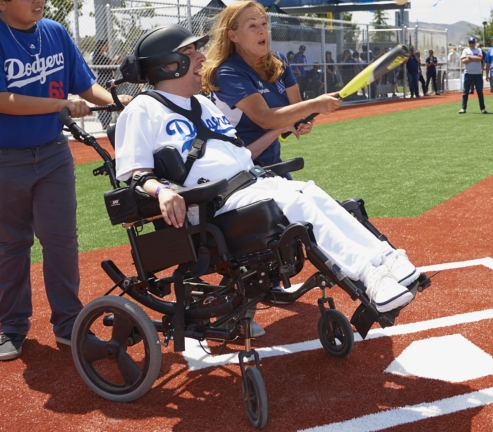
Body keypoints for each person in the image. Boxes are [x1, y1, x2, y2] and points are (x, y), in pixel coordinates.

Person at [114, 25, 419, 313]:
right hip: (209, 204)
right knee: (293, 200)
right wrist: (163, 192)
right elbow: (134, 175)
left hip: (250, 184)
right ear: (169, 64)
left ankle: (385, 258)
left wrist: (282, 127)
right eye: (191, 52)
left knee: (308, 190)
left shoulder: (204, 105)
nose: (202, 57)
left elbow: (241, 155)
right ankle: (369, 275)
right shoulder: (143, 109)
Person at [0, 0, 130, 361]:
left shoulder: (54, 32)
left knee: (60, 240)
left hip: (51, 153)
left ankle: (69, 323)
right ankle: (13, 326)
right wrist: (58, 105)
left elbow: (88, 89)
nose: (39, 1)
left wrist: (126, 106)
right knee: (11, 243)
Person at [203, 0, 341, 169]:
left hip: (270, 162)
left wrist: (301, 120)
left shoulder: (278, 61)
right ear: (233, 35)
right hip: (236, 169)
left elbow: (296, 108)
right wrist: (314, 105)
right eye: (252, 26)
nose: (262, 31)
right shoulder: (228, 72)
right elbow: (264, 118)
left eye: (263, 23)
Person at [458, 36, 486, 114]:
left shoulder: (479, 50)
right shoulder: (465, 50)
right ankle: (463, 108)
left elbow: (480, 59)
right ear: (468, 43)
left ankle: (482, 108)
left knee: (480, 91)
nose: (471, 44)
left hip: (478, 74)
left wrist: (469, 57)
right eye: (470, 43)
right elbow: (463, 60)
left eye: (473, 42)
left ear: (475, 43)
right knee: (465, 92)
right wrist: (474, 58)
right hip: (468, 73)